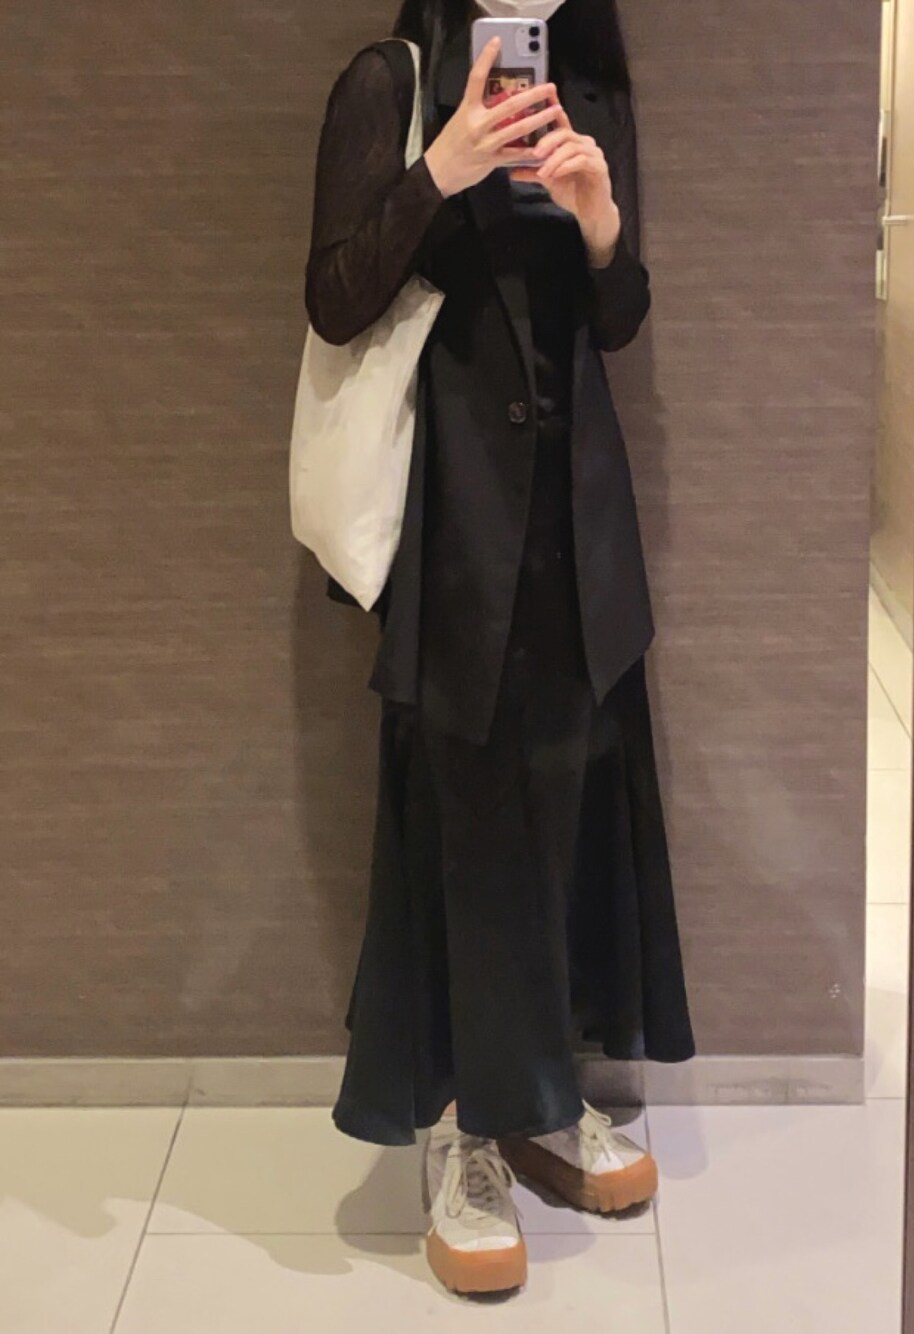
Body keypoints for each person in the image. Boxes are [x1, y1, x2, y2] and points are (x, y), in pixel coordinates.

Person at [305, 0, 695, 1296]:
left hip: (580, 522)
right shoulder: (390, 83)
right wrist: (440, 172)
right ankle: (466, 1135)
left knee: (573, 807)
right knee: (464, 823)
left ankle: (542, 1100)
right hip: (453, 524)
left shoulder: (589, 79)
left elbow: (619, 317)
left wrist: (600, 222)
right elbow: (333, 297)